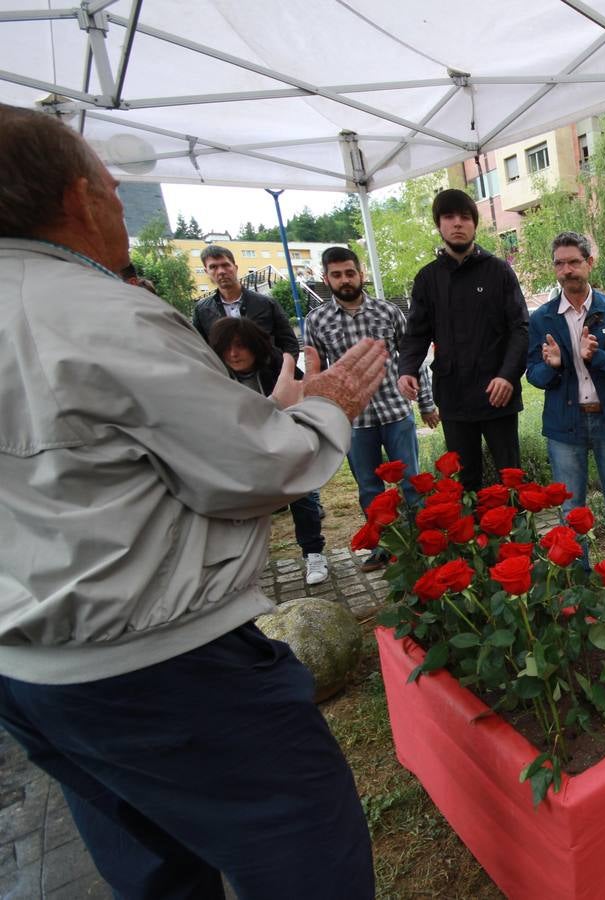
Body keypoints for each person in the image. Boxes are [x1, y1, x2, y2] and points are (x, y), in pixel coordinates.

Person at [0, 103, 385, 897]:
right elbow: (255, 466)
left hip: (32, 676)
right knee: (308, 856)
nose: (122, 213)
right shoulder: (102, 312)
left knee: (153, 870)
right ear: (78, 198)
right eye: (112, 189)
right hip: (160, 667)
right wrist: (328, 406)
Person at [307, 247, 438, 572]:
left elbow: (413, 357)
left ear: (360, 273)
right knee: (369, 487)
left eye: (350, 272)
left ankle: (418, 542)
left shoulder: (388, 312)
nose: (344, 279)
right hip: (353, 421)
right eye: (336, 275)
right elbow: (316, 375)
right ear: (326, 279)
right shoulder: (317, 320)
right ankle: (382, 546)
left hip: (395, 413)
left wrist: (426, 403)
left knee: (410, 482)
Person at [525, 232, 605, 576]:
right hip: (565, 424)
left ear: (589, 263)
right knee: (570, 505)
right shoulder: (542, 319)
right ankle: (579, 573)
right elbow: (532, 373)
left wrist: (595, 356)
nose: (567, 270)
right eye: (560, 264)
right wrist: (553, 366)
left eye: (574, 262)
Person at [398, 188, 529, 492]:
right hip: (454, 397)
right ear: (439, 224)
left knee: (511, 480)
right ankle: (473, 539)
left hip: (499, 395)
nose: (457, 223)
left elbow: (520, 328)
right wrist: (407, 369)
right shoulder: (428, 279)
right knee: (464, 481)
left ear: (474, 224)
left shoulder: (499, 271)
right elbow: (416, 332)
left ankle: (519, 539)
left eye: (465, 217)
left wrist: (507, 376)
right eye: (449, 217)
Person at [208, 317, 331, 586]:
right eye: (226, 348)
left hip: (286, 445)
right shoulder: (214, 376)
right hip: (244, 452)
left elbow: (304, 400)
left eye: (240, 346)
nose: (233, 354)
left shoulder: (277, 365)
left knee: (303, 498)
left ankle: (313, 553)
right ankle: (245, 567)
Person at [191, 243, 299, 367]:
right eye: (213, 267)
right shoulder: (202, 310)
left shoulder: (266, 303)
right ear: (206, 272)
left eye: (225, 265)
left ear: (235, 267)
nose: (221, 271)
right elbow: (200, 349)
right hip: (228, 381)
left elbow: (289, 344)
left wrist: (285, 373)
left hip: (270, 379)